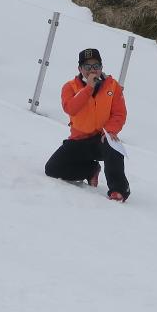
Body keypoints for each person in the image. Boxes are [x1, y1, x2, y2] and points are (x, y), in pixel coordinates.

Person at [44, 47, 130, 202]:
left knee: (113, 145)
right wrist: (89, 88)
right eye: (87, 67)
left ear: (101, 67)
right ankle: (90, 170)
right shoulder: (70, 87)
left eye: (96, 66)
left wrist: (109, 131)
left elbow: (119, 113)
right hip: (78, 140)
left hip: (101, 139)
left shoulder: (113, 86)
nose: (92, 71)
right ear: (80, 69)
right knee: (52, 169)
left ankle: (118, 190)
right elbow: (70, 108)